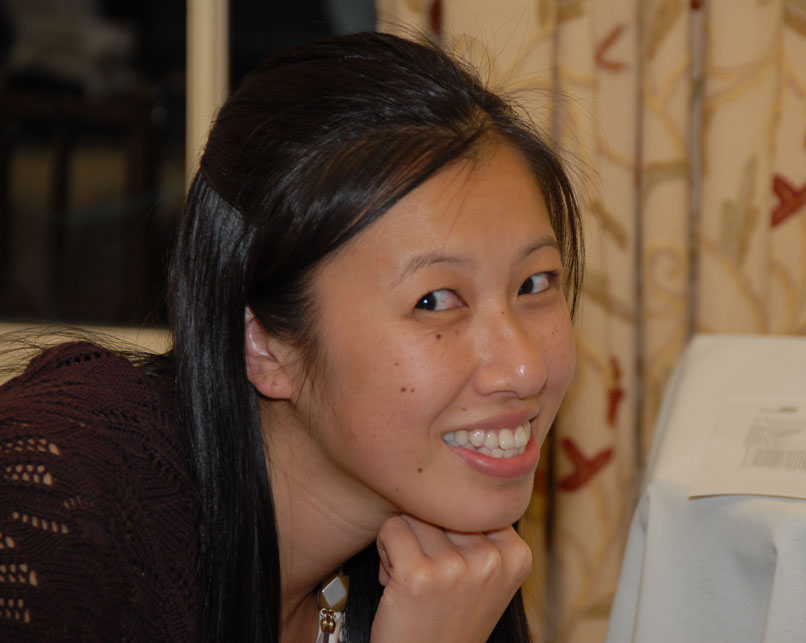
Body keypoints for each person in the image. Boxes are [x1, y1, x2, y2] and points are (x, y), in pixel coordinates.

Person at [0, 31, 583, 642]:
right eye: (435, 301)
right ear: (266, 347)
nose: (525, 368)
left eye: (535, 283)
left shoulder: (439, 578)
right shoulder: (58, 497)